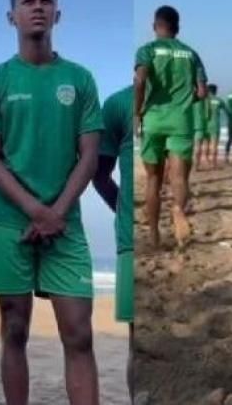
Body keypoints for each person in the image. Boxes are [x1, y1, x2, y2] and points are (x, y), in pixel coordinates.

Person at [0, 0, 102, 405]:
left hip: (65, 221)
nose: (38, 7)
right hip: (11, 221)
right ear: (11, 16)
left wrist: (56, 212)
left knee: (79, 333)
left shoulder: (80, 79)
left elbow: (88, 154)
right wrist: (34, 209)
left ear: (58, 13)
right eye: (28, 1)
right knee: (13, 330)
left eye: (46, 0)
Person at [135, 5, 207, 248]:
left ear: (155, 26)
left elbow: (140, 79)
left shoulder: (147, 50)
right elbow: (202, 91)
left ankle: (154, 235)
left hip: (154, 119)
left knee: (153, 179)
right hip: (181, 120)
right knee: (179, 177)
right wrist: (186, 100)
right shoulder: (191, 53)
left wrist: (137, 112)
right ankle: (177, 209)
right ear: (177, 28)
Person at [92, 85, 134, 400]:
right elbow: (100, 174)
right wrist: (125, 210)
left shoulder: (182, 101)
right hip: (132, 241)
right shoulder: (118, 103)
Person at [206, 84, 228, 168]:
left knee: (206, 144)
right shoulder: (219, 100)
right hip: (215, 124)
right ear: (216, 91)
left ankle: (207, 160)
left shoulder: (205, 100)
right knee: (214, 145)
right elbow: (227, 111)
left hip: (205, 124)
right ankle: (213, 163)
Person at [192, 94, 210, 171]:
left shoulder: (189, 95)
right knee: (198, 146)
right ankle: (195, 166)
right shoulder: (205, 98)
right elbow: (208, 114)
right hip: (200, 124)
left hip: (188, 123)